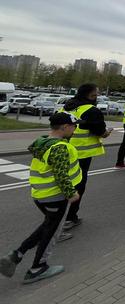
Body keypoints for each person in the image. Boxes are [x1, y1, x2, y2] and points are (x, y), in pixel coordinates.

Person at [0, 113, 81, 284]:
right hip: (55, 197)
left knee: (47, 225)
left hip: (41, 195)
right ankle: (37, 268)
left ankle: (17, 254)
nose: (76, 129)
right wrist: (71, 193)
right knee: (51, 233)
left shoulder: (43, 141)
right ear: (65, 127)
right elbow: (60, 174)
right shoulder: (60, 147)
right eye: (74, 126)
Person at [60, 83, 111, 230]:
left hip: (63, 151)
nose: (97, 98)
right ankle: (69, 218)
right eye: (94, 95)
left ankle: (58, 215)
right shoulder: (91, 110)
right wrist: (107, 132)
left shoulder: (67, 107)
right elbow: (101, 132)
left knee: (63, 183)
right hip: (81, 154)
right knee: (78, 186)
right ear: (88, 95)